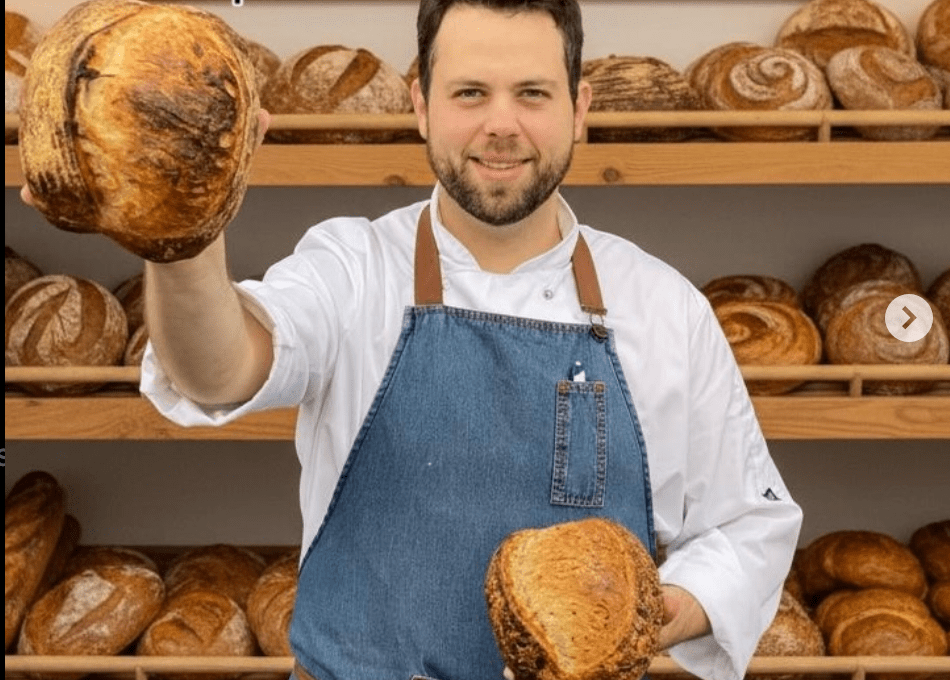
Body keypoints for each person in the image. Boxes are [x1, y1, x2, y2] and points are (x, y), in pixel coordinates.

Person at [24, 0, 802, 678]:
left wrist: (648, 615)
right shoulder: (353, 267)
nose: (502, 123)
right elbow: (221, 371)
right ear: (420, 104)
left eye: (533, 93)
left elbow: (750, 524)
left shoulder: (662, 305)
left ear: (580, 107)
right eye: (470, 93)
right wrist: (184, 234)